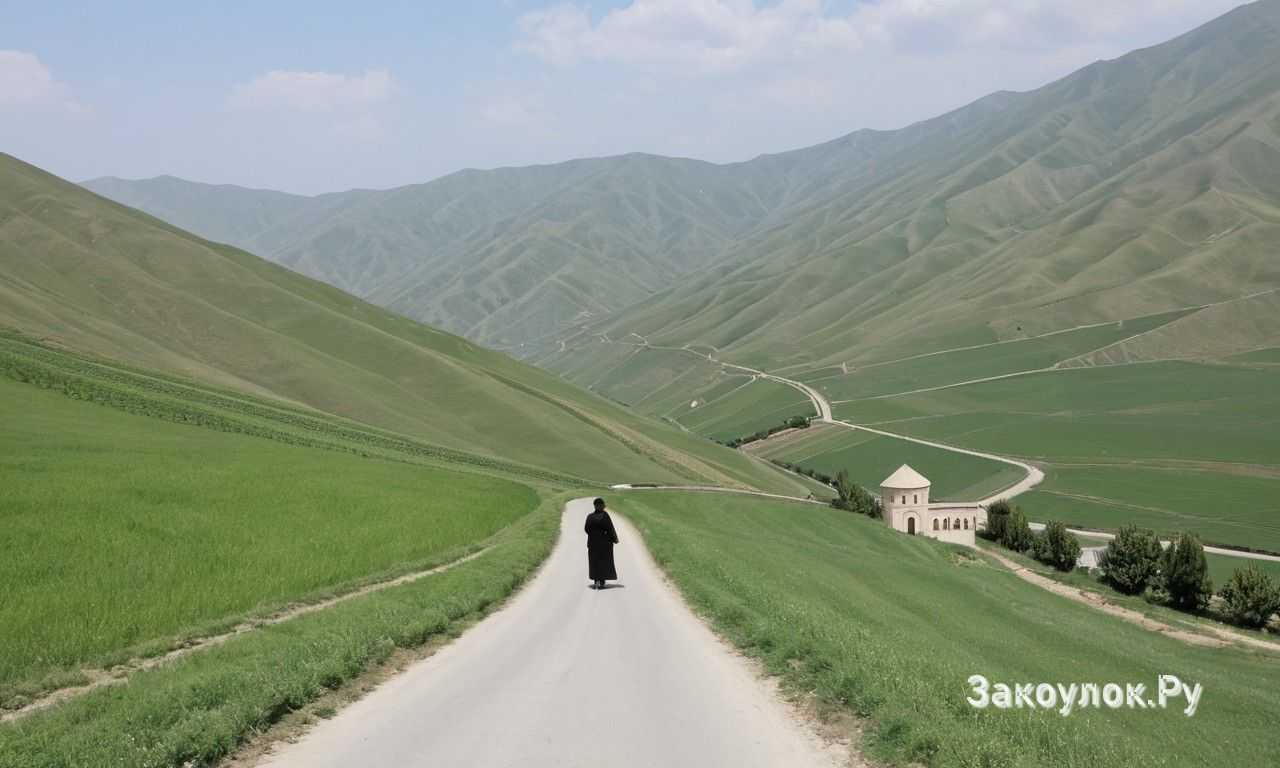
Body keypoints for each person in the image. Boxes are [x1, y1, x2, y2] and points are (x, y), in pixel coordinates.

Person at [584, 497, 619, 589]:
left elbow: (586, 529)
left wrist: (593, 534)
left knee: (594, 561)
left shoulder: (590, 517)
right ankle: (602, 581)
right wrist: (615, 539)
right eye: (603, 505)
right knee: (604, 561)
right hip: (604, 543)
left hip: (593, 543)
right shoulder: (605, 515)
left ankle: (596, 580)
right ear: (600, 506)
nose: (604, 506)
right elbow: (610, 528)